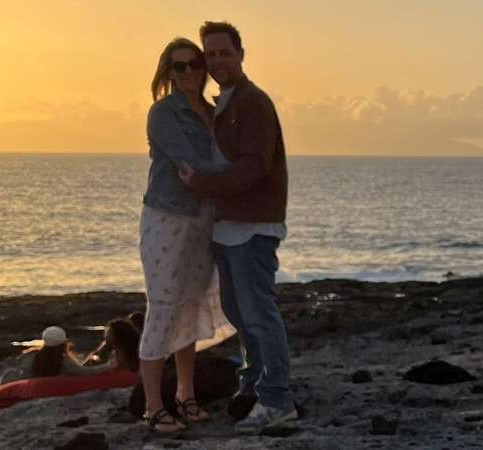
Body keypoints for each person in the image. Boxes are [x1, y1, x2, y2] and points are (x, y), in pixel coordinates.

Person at [177, 21, 296, 435]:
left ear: (241, 54)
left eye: (224, 53)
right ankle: (254, 385)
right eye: (210, 55)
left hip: (253, 227)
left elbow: (254, 165)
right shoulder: (224, 103)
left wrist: (202, 184)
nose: (217, 61)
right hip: (227, 227)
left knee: (260, 315)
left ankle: (278, 400)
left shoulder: (252, 102)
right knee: (238, 312)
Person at [139, 37, 235, 434]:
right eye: (179, 66)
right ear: (168, 73)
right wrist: (235, 179)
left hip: (204, 218)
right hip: (168, 217)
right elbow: (191, 162)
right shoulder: (164, 114)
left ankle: (186, 393)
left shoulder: (214, 112)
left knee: (191, 304)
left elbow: (209, 167)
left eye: (194, 63)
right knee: (163, 305)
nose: (190, 72)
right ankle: (152, 405)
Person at [0, 321, 139, 384]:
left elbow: (21, 369)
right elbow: (85, 373)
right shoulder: (63, 362)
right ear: (63, 343)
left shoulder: (30, 356)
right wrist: (108, 366)